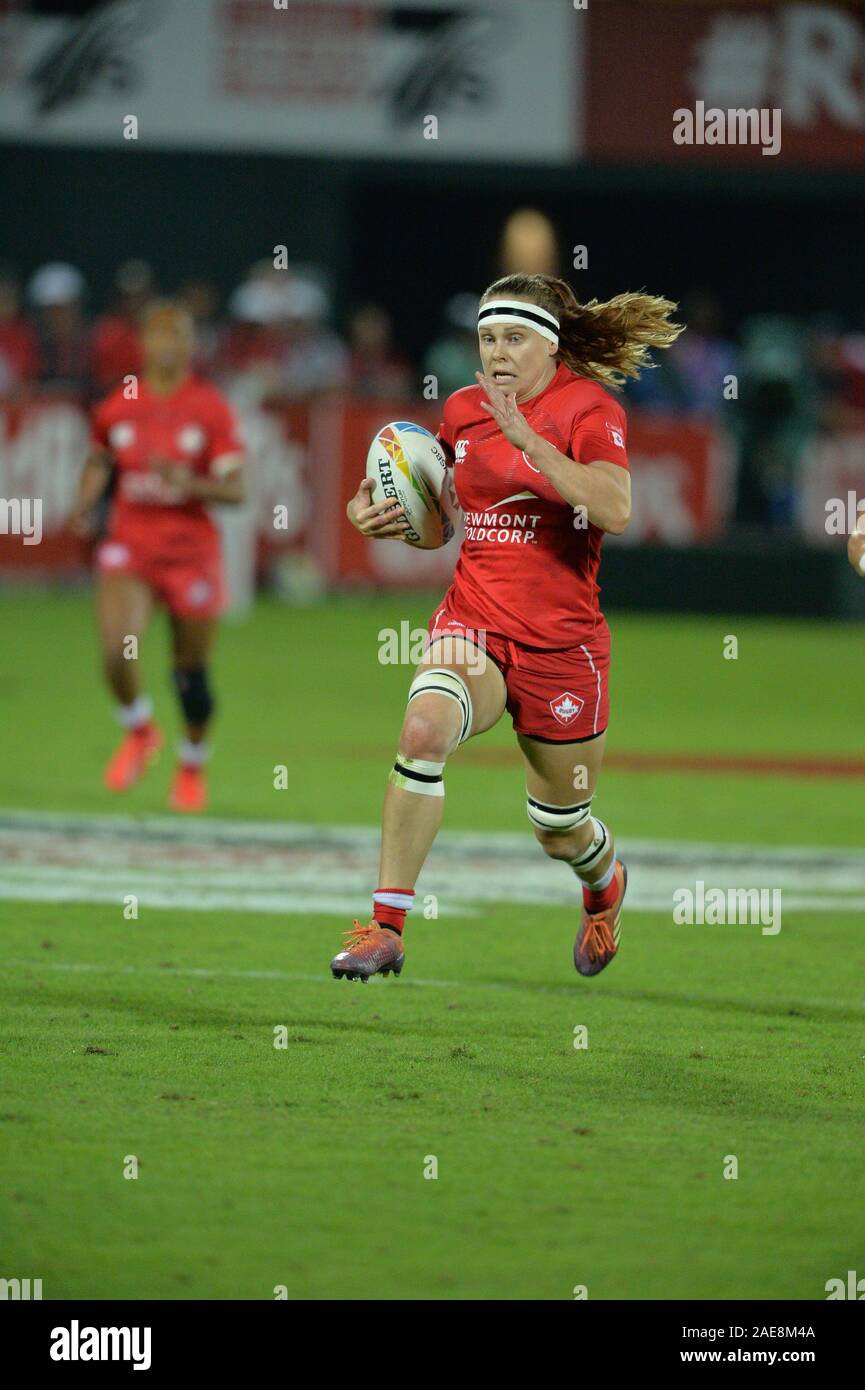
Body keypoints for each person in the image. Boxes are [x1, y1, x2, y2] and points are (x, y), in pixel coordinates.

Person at [333, 273, 683, 982]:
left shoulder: (588, 409)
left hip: (563, 650)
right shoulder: (462, 411)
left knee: (559, 830)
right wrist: (372, 511)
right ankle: (386, 925)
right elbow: (437, 519)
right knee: (423, 730)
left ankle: (604, 887)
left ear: (549, 347)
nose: (496, 351)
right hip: (474, 624)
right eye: (487, 337)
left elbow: (614, 508)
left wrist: (532, 444)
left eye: (513, 337)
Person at [69, 302, 246, 812]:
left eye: (177, 334)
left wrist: (186, 481)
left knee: (190, 676)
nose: (166, 343)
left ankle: (191, 762)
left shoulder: (209, 406)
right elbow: (99, 456)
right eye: (157, 333)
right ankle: (141, 730)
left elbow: (237, 492)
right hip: (132, 547)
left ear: (192, 345)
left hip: (191, 553)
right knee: (115, 648)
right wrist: (85, 500)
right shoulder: (121, 400)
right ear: (143, 343)